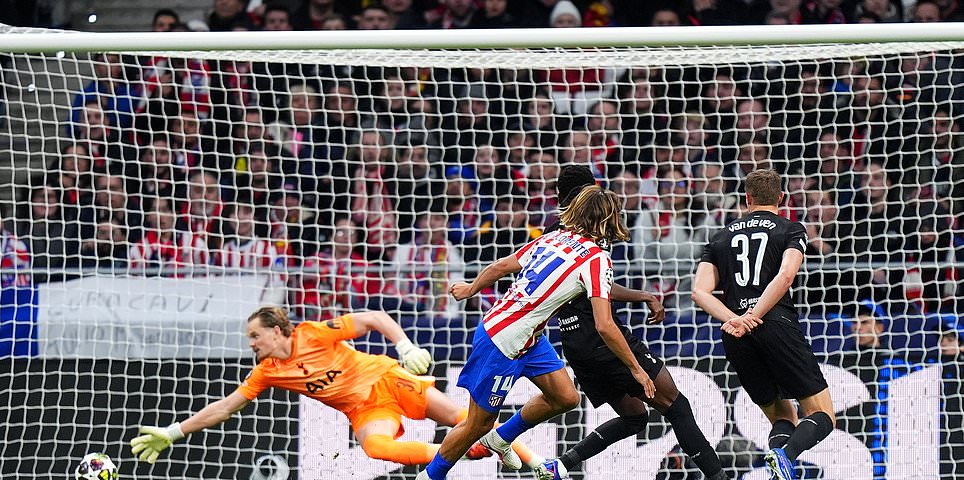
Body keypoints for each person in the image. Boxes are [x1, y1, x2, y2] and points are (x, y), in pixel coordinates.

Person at [417, 185, 655, 480]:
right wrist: (637, 369)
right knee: (477, 425)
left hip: (527, 335)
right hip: (503, 341)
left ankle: (501, 438)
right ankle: (430, 476)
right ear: (607, 221)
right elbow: (605, 325)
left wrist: (470, 289)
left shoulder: (553, 238)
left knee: (566, 396)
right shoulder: (596, 259)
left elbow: (501, 266)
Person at [129, 307, 539, 466]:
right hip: (365, 410)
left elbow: (373, 318)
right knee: (376, 448)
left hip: (387, 378)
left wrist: (405, 346)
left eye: (255, 336)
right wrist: (174, 431)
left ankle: (539, 464)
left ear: (276, 331)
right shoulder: (267, 372)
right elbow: (225, 406)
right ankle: (452, 452)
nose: (251, 344)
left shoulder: (313, 333)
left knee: (463, 418)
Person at [535, 165, 728, 480]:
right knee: (676, 405)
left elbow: (593, 285)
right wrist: (636, 367)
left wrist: (642, 295)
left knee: (635, 417)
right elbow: (600, 306)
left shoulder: (551, 236)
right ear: (587, 193)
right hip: (603, 339)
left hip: (574, 344)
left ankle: (560, 465)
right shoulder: (590, 230)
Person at [692, 169, 835, 480]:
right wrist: (754, 314)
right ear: (781, 198)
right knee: (823, 414)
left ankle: (779, 470)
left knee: (782, 417)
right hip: (774, 324)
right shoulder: (790, 229)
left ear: (747, 198)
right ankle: (784, 456)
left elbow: (699, 292)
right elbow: (785, 276)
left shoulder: (720, 236)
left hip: (735, 332)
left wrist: (737, 319)